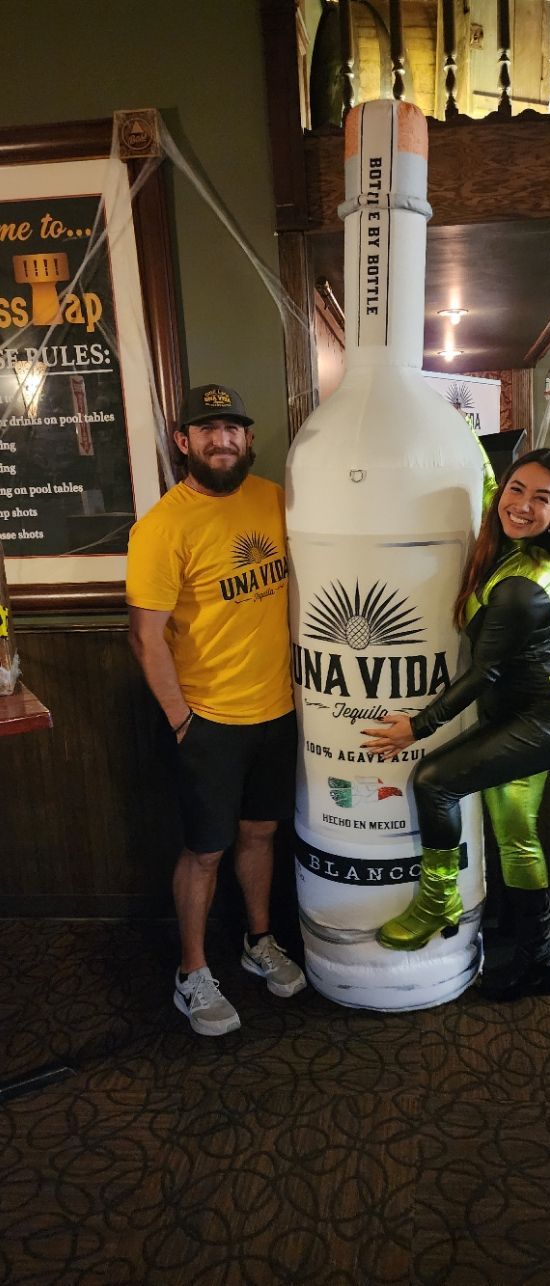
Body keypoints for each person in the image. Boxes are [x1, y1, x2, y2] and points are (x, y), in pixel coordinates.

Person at [361, 447, 550, 1001]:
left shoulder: (522, 585)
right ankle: (540, 957)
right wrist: (453, 421)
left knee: (435, 781)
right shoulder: (508, 532)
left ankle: (439, 899)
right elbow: (489, 479)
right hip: (530, 708)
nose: (522, 505)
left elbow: (483, 673)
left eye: (541, 499)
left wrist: (416, 728)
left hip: (546, 715)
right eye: (517, 490)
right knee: (516, 830)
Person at [126, 383, 305, 1036]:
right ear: (184, 442)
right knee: (205, 851)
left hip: (277, 713)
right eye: (207, 429)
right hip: (208, 720)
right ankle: (193, 972)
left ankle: (259, 942)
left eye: (232, 427)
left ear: (248, 439)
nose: (221, 439)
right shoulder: (163, 526)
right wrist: (182, 722)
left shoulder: (275, 502)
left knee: (260, 834)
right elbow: (146, 637)